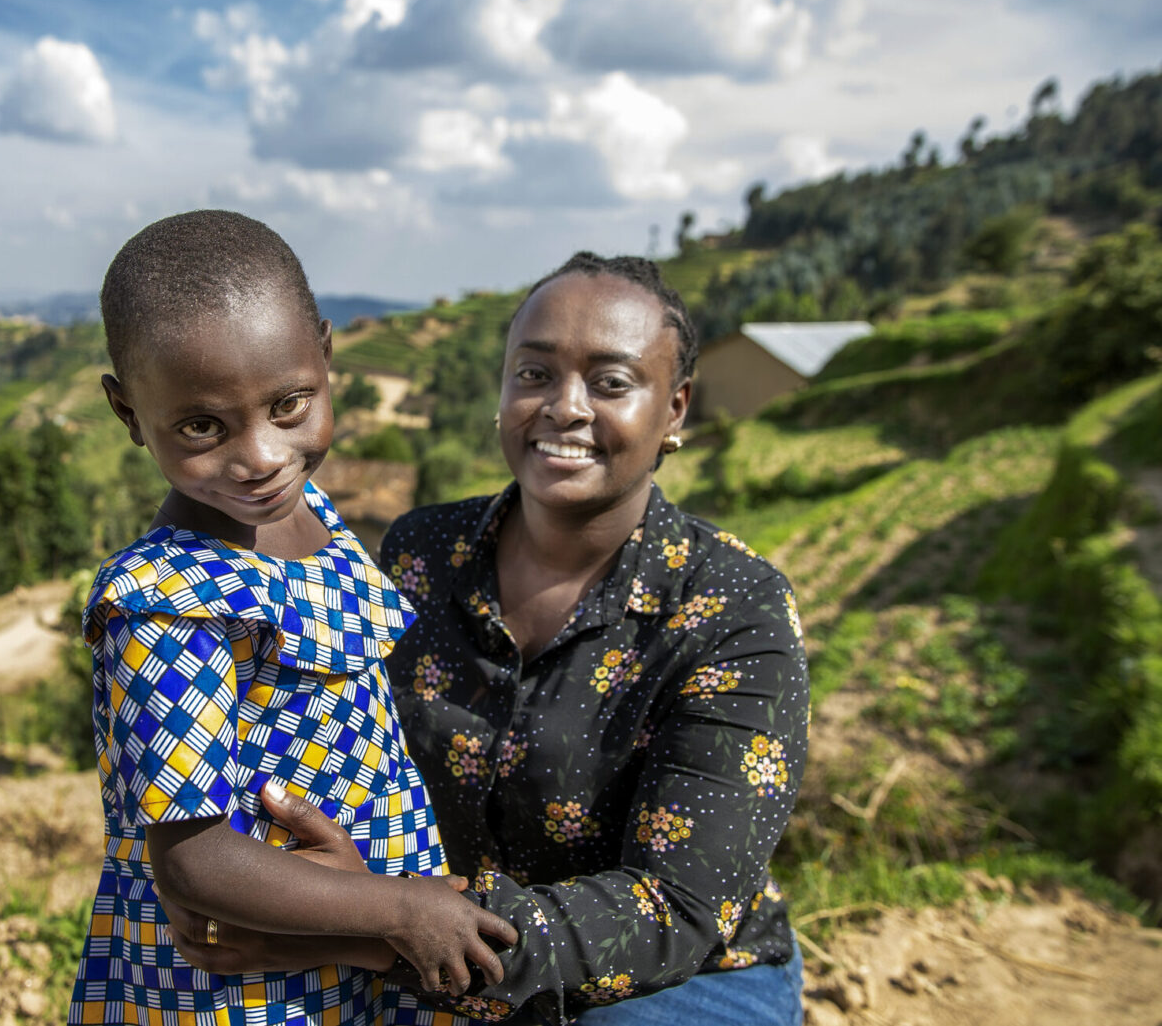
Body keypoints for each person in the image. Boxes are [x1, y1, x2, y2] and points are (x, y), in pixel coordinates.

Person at [165, 252, 810, 1026]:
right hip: (422, 947)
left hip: (670, 986)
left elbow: (675, 907)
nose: (563, 407)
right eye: (534, 374)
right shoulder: (421, 555)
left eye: (610, 383)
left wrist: (379, 933)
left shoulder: (734, 610)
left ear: (674, 410)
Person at [68, 210, 516, 1026]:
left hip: (353, 941)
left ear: (326, 355)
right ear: (129, 412)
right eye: (203, 426)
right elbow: (196, 861)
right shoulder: (168, 601)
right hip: (255, 980)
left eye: (289, 405)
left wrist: (387, 915)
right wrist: (398, 913)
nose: (261, 456)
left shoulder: (305, 509)